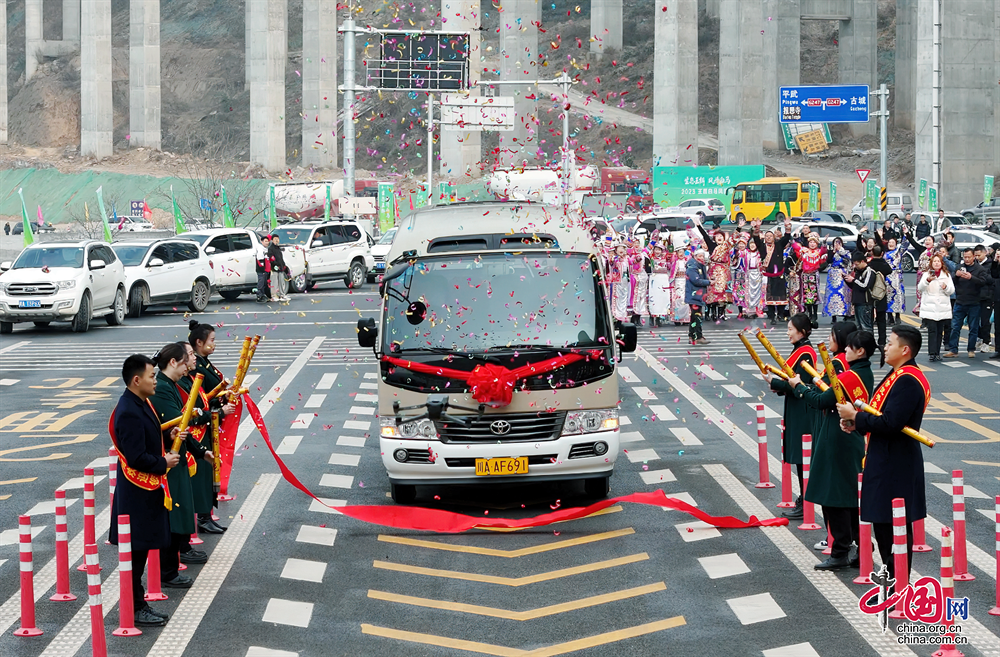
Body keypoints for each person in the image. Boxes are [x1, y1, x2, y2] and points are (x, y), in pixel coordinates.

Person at [837, 325, 931, 581]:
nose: (885, 347)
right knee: (883, 522)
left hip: (895, 461)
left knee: (894, 525)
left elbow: (891, 423)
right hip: (885, 456)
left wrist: (856, 416)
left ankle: (897, 580)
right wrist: (857, 423)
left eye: (890, 343)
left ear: (905, 349)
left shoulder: (908, 380)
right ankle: (891, 575)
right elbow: (879, 417)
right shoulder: (898, 374)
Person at [789, 328, 875, 569]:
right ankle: (861, 546)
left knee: (834, 497)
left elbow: (820, 400)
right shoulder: (863, 374)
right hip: (849, 438)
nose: (845, 350)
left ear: (860, 351)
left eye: (849, 347)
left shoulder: (847, 377)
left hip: (837, 440)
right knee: (848, 497)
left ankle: (840, 551)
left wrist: (799, 386)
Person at [108, 354, 179, 627]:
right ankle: (135, 607)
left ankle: (137, 604)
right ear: (136, 380)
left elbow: (147, 437)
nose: (156, 380)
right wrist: (164, 463)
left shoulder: (140, 402)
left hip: (145, 491)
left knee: (139, 551)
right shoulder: (127, 410)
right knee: (135, 554)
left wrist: (166, 437)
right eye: (152, 376)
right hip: (137, 492)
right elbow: (136, 456)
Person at [150, 343, 214, 588]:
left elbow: (181, 427)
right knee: (174, 515)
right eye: (185, 359)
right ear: (173, 362)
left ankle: (171, 567)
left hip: (179, 456)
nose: (189, 363)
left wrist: (200, 451)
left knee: (181, 513)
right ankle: (167, 572)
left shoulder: (172, 386)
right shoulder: (164, 389)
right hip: (169, 460)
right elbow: (175, 425)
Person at [763, 313, 818, 520]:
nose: (787, 333)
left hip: (802, 410)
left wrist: (775, 383)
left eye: (790, 329)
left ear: (801, 331)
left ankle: (806, 501)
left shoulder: (805, 353)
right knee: (798, 457)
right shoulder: (800, 350)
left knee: (802, 457)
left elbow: (799, 385)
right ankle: (803, 499)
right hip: (796, 408)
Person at [177, 341, 231, 534]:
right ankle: (201, 517)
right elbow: (193, 413)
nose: (194, 358)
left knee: (206, 478)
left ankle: (206, 515)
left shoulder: (192, 379)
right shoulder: (181, 384)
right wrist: (220, 412)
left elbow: (204, 401)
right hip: (194, 438)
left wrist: (221, 399)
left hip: (203, 437)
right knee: (198, 481)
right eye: (190, 354)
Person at [944, 248, 988, 358]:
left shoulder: (980, 269)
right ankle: (953, 349)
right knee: (955, 326)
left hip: (974, 302)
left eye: (969, 257)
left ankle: (971, 349)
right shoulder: (960, 267)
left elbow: (983, 282)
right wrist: (956, 275)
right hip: (960, 301)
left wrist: (971, 277)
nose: (967, 259)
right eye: (965, 257)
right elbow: (951, 281)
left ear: (974, 257)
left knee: (973, 327)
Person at [695, 217, 738, 322]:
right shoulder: (712, 245)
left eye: (721, 236)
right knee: (713, 293)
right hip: (713, 271)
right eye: (717, 236)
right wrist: (698, 225)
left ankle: (721, 313)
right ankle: (713, 313)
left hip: (724, 271)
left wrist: (739, 228)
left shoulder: (726, 246)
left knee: (723, 293)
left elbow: (733, 238)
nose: (719, 238)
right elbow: (705, 236)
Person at [752, 219, 792, 323]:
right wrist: (757, 228)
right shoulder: (762, 247)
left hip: (779, 274)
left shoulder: (778, 245)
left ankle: (780, 314)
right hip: (767, 275)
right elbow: (755, 238)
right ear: (764, 238)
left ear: (774, 237)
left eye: (770, 236)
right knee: (769, 297)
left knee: (780, 296)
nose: (769, 237)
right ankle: (771, 316)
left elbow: (787, 238)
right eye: (767, 236)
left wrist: (787, 226)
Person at [916, 254, 955, 361]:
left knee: (939, 331)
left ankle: (937, 352)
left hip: (942, 307)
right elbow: (920, 288)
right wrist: (927, 280)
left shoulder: (946, 275)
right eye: (934, 262)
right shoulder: (926, 275)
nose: (937, 263)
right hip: (930, 307)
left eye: (938, 261)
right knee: (932, 330)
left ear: (941, 263)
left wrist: (945, 287)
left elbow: (951, 290)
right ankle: (932, 353)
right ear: (931, 264)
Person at [792, 236, 827, 322]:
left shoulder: (818, 252)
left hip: (814, 274)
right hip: (805, 275)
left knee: (814, 294)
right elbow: (797, 248)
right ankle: (809, 313)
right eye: (810, 242)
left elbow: (823, 252)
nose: (812, 244)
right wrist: (793, 240)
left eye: (814, 242)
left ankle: (815, 314)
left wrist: (824, 243)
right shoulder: (805, 251)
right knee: (806, 294)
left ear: (817, 243)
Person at [732, 235, 764, 319]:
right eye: (751, 244)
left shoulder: (759, 254)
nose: (752, 246)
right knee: (748, 293)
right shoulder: (746, 253)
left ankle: (756, 310)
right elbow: (738, 253)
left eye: (754, 244)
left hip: (757, 274)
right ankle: (748, 310)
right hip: (748, 274)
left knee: (757, 293)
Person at [876, 235, 906, 324]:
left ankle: (897, 316)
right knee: (888, 296)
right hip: (887, 276)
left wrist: (905, 234)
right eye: (889, 242)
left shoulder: (898, 251)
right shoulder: (884, 253)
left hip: (896, 276)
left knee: (898, 296)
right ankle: (889, 316)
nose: (891, 244)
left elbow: (905, 244)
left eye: (893, 242)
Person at [845, 251, 876, 334]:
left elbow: (865, 286)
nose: (855, 266)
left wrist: (854, 280)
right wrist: (848, 280)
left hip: (865, 302)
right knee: (859, 327)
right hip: (857, 302)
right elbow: (855, 286)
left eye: (857, 264)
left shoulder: (869, 271)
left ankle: (869, 346)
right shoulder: (858, 271)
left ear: (862, 261)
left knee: (866, 327)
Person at [685, 249, 711, 345]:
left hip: (697, 295)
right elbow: (695, 280)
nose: (701, 258)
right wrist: (709, 282)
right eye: (699, 256)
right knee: (697, 316)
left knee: (695, 316)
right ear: (695, 256)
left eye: (702, 256)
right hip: (694, 294)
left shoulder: (699, 265)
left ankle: (692, 336)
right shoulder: (692, 266)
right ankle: (698, 336)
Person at [823, 237, 852, 323]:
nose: (837, 244)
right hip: (832, 274)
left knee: (844, 294)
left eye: (839, 243)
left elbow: (848, 260)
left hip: (842, 273)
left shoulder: (846, 252)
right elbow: (828, 261)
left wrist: (840, 251)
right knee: (832, 294)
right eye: (835, 242)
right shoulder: (831, 252)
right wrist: (832, 252)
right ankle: (833, 315)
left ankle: (845, 314)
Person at [868, 246, 892, 347]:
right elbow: (890, 270)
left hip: (870, 293)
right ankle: (882, 340)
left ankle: (870, 340)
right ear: (882, 253)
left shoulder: (869, 265)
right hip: (881, 293)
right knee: (881, 319)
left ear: (872, 253)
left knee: (869, 319)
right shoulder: (884, 265)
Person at [647, 243, 674, 327]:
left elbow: (670, 265)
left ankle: (660, 317)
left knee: (663, 298)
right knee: (654, 298)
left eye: (659, 250)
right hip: (655, 279)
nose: (657, 251)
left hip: (663, 279)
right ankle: (653, 315)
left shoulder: (665, 258)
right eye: (656, 249)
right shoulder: (650, 258)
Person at [974, 245, 994, 352]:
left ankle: (987, 341)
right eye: (976, 255)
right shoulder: (974, 265)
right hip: (975, 296)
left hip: (987, 297)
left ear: (985, 253)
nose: (977, 257)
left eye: (979, 255)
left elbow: (992, 280)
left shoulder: (991, 265)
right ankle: (980, 338)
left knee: (985, 321)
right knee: (974, 320)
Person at [607, 243, 631, 323]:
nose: (621, 250)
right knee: (617, 298)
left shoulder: (626, 258)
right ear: (616, 251)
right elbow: (610, 262)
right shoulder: (615, 258)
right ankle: (616, 315)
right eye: (619, 249)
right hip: (617, 281)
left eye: (623, 249)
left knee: (624, 297)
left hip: (624, 280)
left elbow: (633, 262)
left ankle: (623, 314)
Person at [670, 241, 691, 326]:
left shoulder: (687, 262)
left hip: (685, 282)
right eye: (679, 252)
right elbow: (672, 274)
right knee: (678, 299)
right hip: (678, 282)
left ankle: (686, 318)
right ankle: (677, 318)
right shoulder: (675, 262)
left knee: (685, 300)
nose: (681, 254)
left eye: (682, 252)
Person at [629, 245, 649, 326]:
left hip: (643, 279)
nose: (637, 246)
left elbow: (650, 246)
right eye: (635, 244)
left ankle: (638, 317)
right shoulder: (631, 255)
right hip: (635, 279)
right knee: (635, 298)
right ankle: (634, 318)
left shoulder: (643, 254)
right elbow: (632, 263)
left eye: (638, 244)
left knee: (642, 298)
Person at [268, 234, 289, 302]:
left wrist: (283, 265)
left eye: (277, 239)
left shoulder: (278, 248)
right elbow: (271, 259)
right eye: (275, 239)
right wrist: (276, 264)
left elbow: (281, 258)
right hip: (274, 268)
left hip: (281, 268)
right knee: (274, 282)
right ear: (272, 240)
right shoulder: (271, 248)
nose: (277, 240)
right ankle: (274, 296)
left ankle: (282, 295)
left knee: (281, 281)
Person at [256, 235, 272, 302]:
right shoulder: (260, 249)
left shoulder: (266, 249)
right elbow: (260, 260)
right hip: (261, 270)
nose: (267, 242)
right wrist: (262, 269)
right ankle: (260, 296)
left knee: (265, 283)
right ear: (261, 241)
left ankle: (264, 295)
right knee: (261, 283)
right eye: (265, 241)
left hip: (266, 269)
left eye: (267, 241)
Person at [991, 243, 1000, 359]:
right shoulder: (996, 263)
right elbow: (994, 275)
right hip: (998, 298)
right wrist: (995, 261)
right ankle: (998, 349)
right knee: (997, 325)